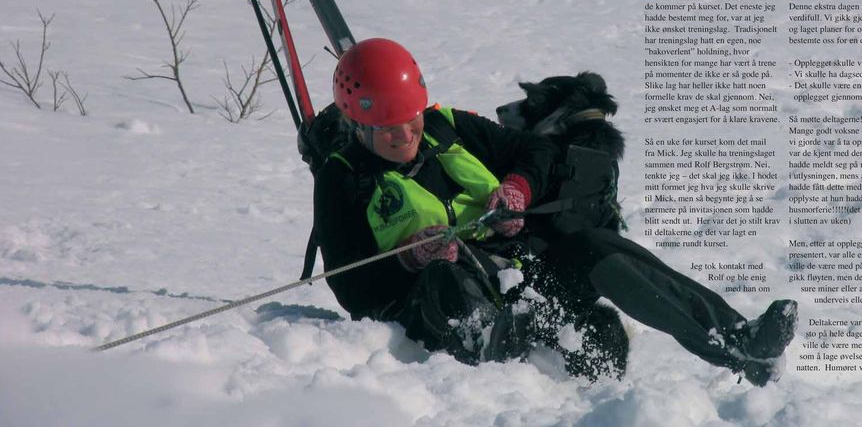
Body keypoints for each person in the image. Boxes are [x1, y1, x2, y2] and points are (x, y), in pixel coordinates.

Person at [303, 38, 797, 385]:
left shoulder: (447, 126)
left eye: (410, 120)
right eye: (389, 129)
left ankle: (736, 340)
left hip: (523, 281)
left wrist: (516, 190)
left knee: (595, 246)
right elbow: (352, 289)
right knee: (443, 280)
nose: (406, 135)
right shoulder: (343, 180)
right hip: (445, 305)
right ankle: (496, 363)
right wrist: (409, 257)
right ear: (358, 122)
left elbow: (535, 153)